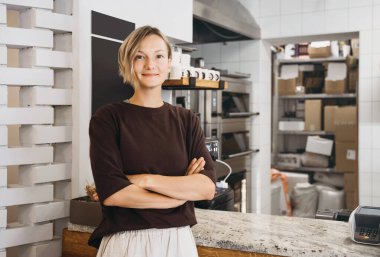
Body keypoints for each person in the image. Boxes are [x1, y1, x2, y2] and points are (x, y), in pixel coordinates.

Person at [88, 25, 216, 257]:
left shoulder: (186, 120)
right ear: (127, 64)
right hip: (126, 244)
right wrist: (179, 194)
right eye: (140, 57)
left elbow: (206, 187)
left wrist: (145, 180)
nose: (150, 65)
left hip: (179, 243)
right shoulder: (107, 119)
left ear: (169, 63)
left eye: (158, 56)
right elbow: (115, 194)